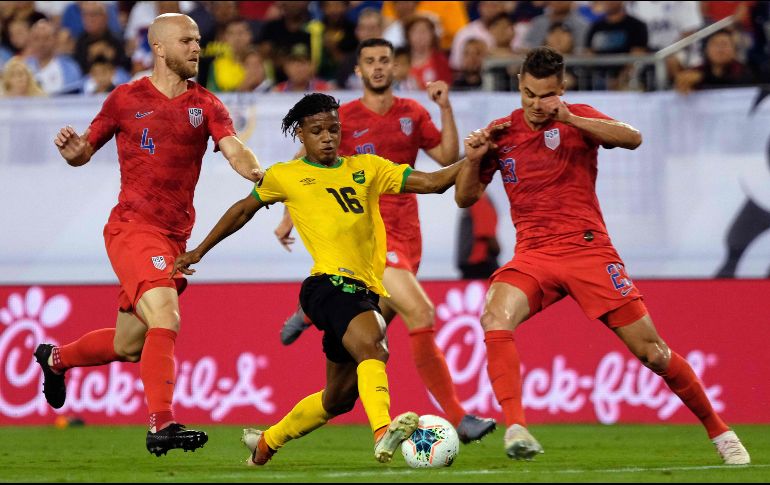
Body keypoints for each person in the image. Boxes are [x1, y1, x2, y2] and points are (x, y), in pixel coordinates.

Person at [453, 46, 751, 465]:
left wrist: (570, 117)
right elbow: (465, 199)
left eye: (546, 95)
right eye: (529, 94)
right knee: (493, 317)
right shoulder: (501, 132)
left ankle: (721, 432)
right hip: (533, 254)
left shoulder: (580, 117)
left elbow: (633, 138)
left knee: (653, 353)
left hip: (588, 250)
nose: (537, 105)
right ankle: (517, 426)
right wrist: (473, 160)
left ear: (562, 88)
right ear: (519, 87)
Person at [172, 92, 470, 465]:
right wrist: (199, 250)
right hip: (326, 285)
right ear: (302, 135)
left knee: (338, 399)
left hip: (361, 290)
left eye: (333, 129)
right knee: (374, 343)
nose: (327, 137)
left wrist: (473, 158)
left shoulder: (369, 168)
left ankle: (266, 443)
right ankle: (383, 431)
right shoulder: (287, 175)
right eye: (317, 131)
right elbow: (242, 210)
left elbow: (435, 182)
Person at [34, 13, 263, 456]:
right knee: (167, 317)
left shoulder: (208, 105)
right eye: (186, 41)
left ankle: (55, 358)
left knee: (128, 345)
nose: (196, 48)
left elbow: (233, 147)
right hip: (132, 228)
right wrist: (74, 151)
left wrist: (257, 173)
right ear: (158, 48)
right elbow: (85, 150)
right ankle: (162, 424)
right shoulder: (125, 98)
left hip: (174, 238)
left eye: (198, 40)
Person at [275, 38, 496, 444]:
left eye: (385, 61)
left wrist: (445, 107)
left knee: (343, 389)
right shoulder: (343, 119)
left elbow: (446, 157)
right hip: (372, 237)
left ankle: (272, 435)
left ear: (395, 67)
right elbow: (306, 170)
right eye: (370, 61)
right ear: (358, 71)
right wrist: (290, 215)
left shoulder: (412, 112)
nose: (378, 67)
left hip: (409, 238)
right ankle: (459, 417)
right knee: (422, 313)